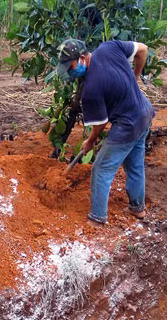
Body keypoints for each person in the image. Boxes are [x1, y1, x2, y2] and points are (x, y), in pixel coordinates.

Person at [56, 38, 154, 225]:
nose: (69, 72)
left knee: (101, 169)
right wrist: (135, 77)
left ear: (82, 58)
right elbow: (143, 49)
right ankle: (138, 209)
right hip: (144, 113)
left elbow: (101, 123)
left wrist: (90, 141)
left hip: (128, 123)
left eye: (70, 67)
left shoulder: (91, 88)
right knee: (134, 164)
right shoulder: (110, 47)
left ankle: (97, 218)